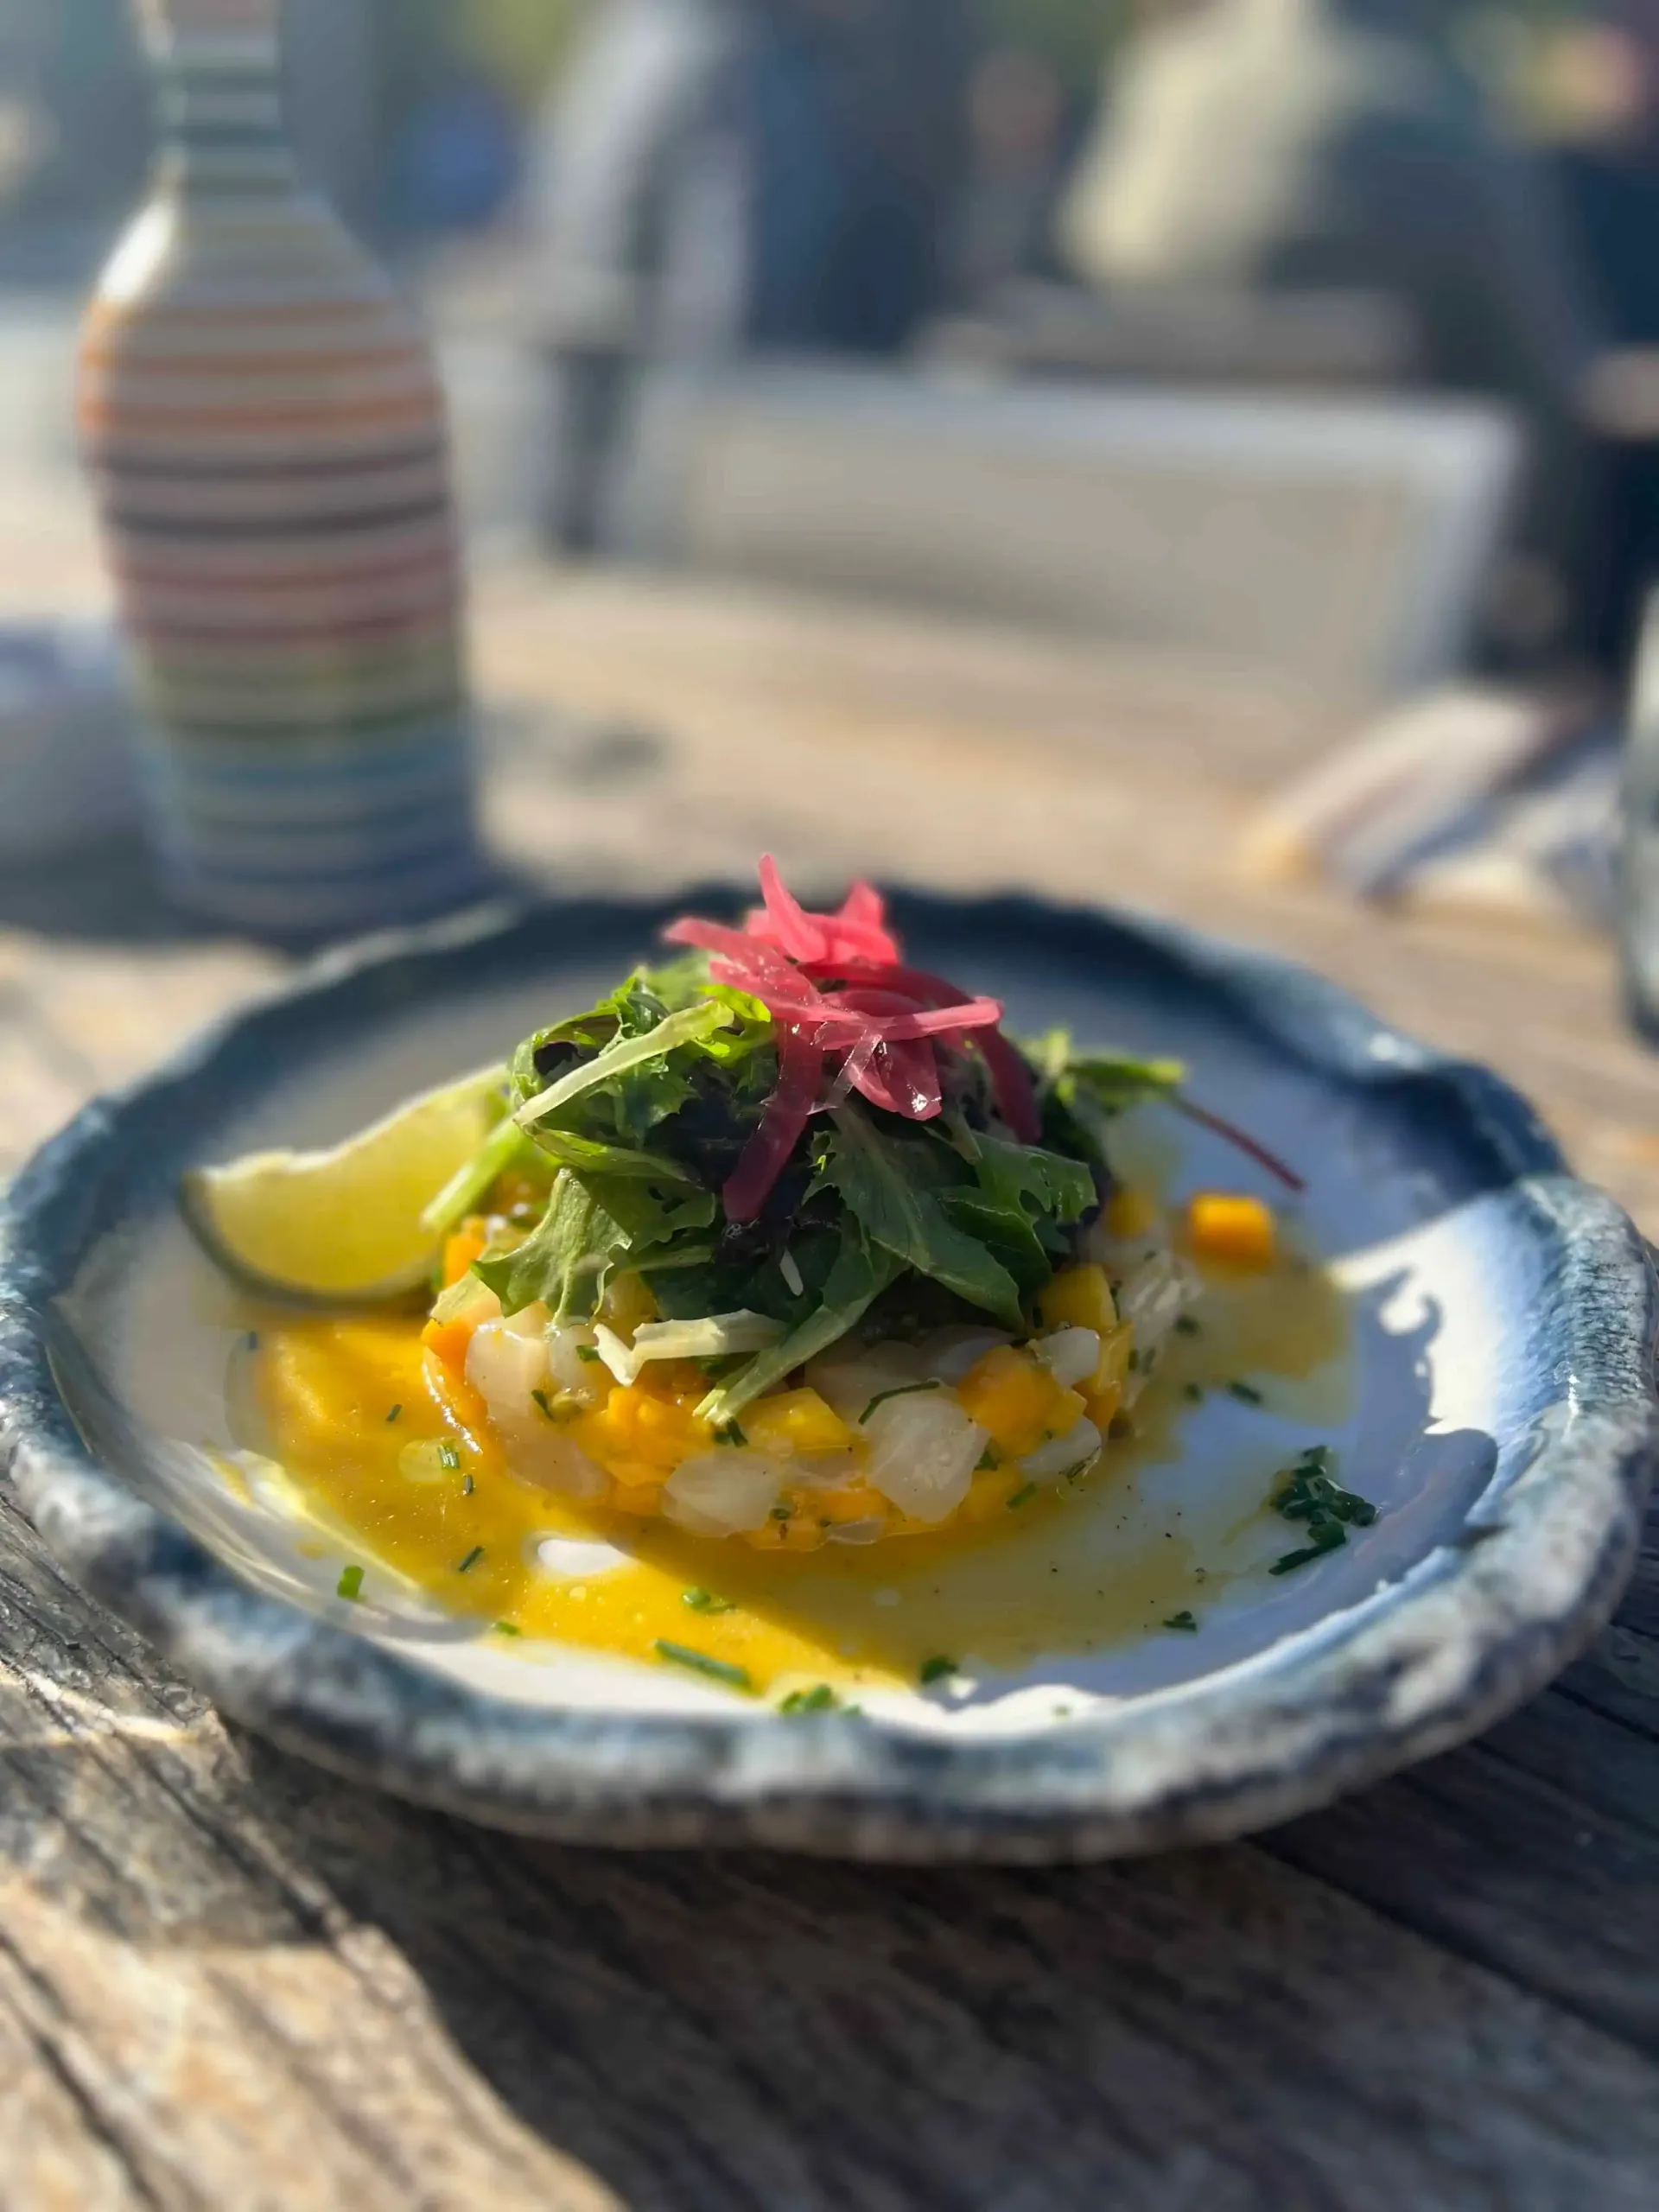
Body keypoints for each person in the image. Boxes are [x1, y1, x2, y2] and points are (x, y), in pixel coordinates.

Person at [1056, 0, 1605, 663]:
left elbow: (1088, 265)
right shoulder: (1436, 119)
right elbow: (1551, 392)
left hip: (1110, 582)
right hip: (1371, 620)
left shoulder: (1164, 86)